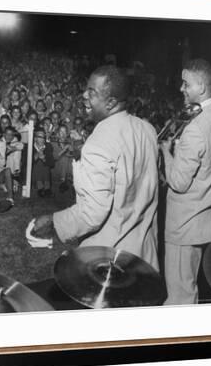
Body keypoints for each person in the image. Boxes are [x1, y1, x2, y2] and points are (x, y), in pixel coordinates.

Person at [29, 66, 160, 271]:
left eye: (92, 92)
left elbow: (92, 214)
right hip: (143, 255)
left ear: (111, 102)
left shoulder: (98, 142)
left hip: (108, 260)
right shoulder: (148, 129)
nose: (83, 95)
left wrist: (54, 222)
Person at [159, 58, 211, 305]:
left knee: (180, 296)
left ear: (200, 86)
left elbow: (178, 182)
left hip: (183, 224)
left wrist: (167, 152)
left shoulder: (196, 127)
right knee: (190, 288)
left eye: (185, 83)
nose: (181, 88)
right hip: (204, 220)